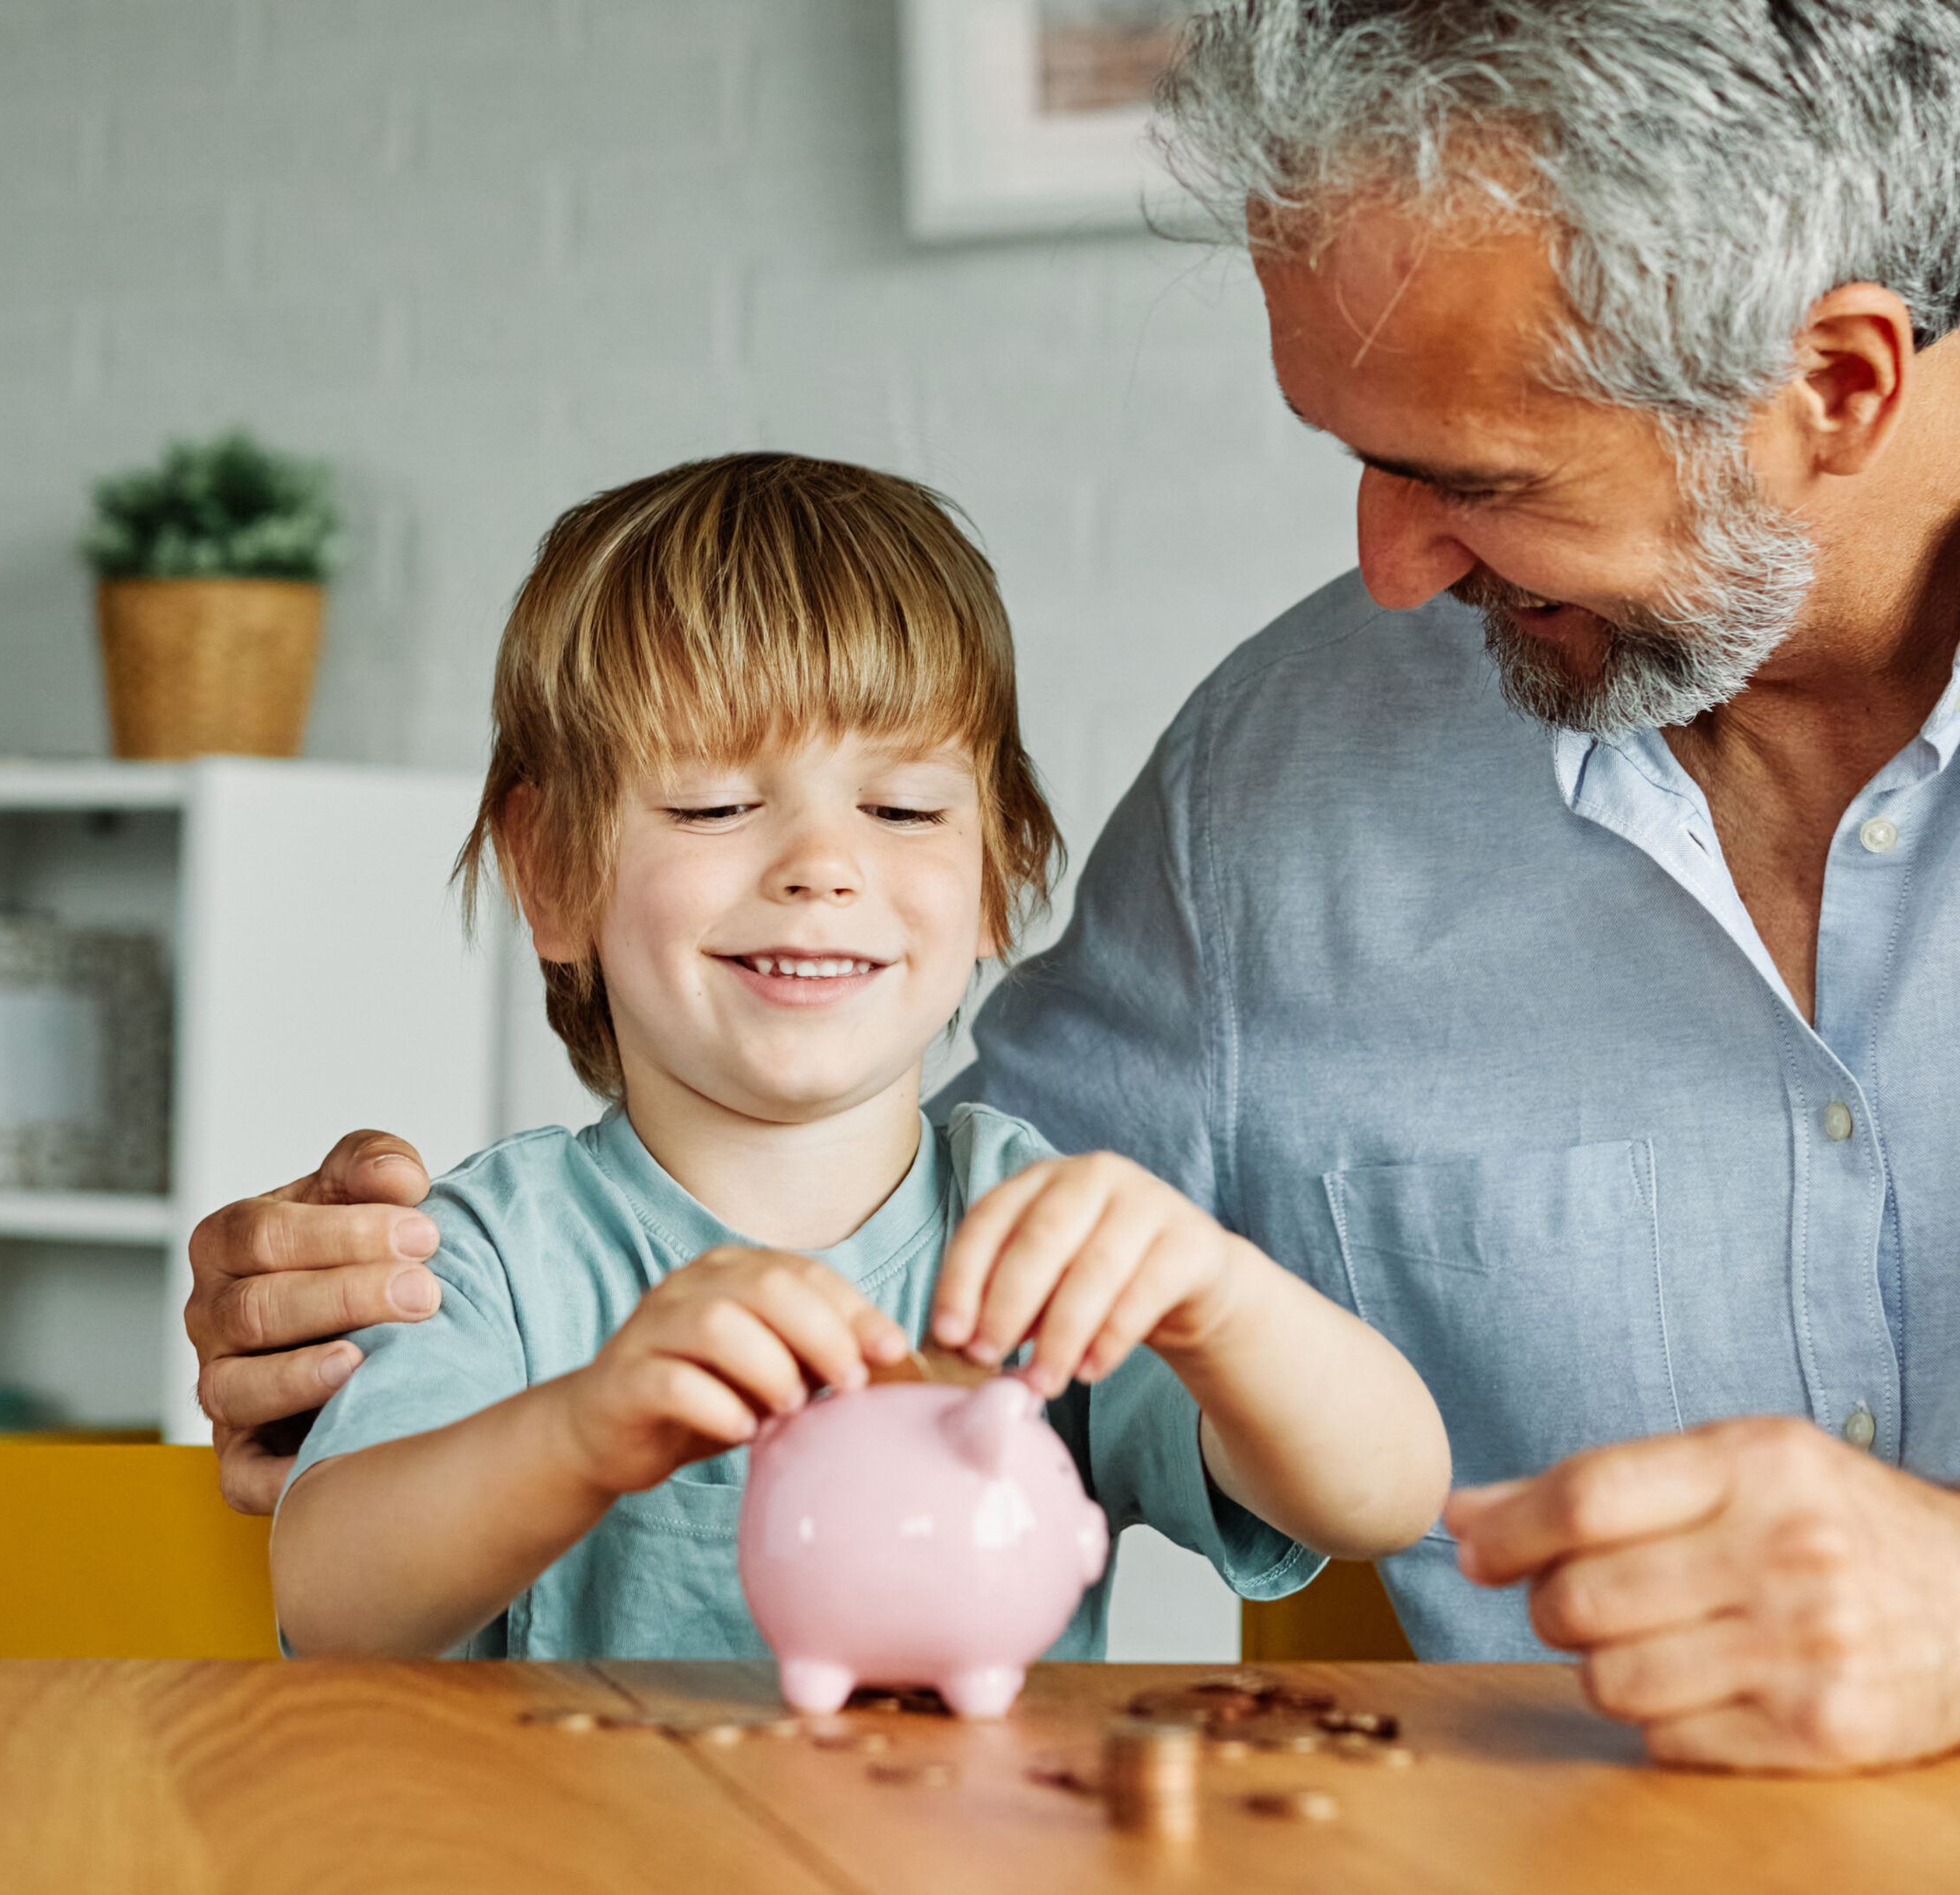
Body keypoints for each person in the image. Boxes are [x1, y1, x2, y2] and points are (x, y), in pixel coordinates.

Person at [188, 2, 1960, 1768]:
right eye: (1358, 459)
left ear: (1835, 386)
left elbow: (1361, 1464)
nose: (1384, 572)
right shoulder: (1276, 788)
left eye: (1470, 479)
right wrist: (355, 1351)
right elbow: (889, 1192)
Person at [265, 451, 1449, 1665]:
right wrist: (581, 1431)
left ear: (996, 873)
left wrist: (1219, 1292)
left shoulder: (1032, 1243)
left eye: (902, 811)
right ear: (555, 872)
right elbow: (332, 1602)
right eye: (716, 807)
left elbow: (1386, 1497)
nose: (822, 865)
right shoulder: (493, 1255)